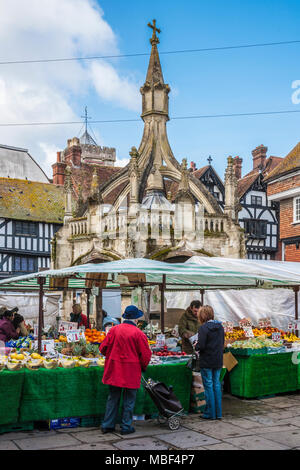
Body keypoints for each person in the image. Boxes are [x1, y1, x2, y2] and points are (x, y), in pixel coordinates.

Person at [99, 305, 152, 435]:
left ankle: (107, 425)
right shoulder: (139, 334)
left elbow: (102, 348)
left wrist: (112, 356)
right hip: (131, 371)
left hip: (115, 369)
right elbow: (145, 355)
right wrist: (143, 367)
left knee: (113, 398)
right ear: (136, 319)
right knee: (129, 399)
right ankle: (126, 426)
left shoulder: (114, 330)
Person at [194, 305, 224, 420]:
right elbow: (222, 343)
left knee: (208, 386)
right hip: (218, 360)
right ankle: (218, 413)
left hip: (207, 360)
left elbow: (201, 346)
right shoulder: (220, 327)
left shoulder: (204, 328)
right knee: (216, 385)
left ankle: (210, 413)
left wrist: (196, 345)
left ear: (202, 315)